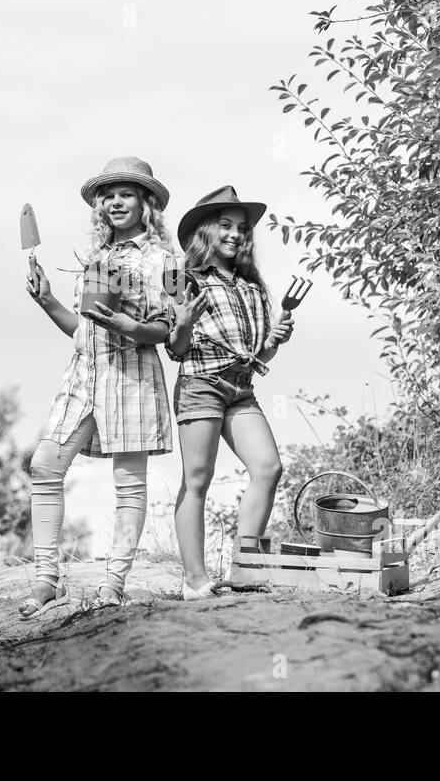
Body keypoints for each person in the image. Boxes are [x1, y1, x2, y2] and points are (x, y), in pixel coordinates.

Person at [19, 157, 177, 619]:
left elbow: (169, 331)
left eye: (125, 193)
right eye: (107, 195)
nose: (114, 201)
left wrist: (131, 324)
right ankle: (48, 579)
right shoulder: (96, 260)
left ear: (147, 203)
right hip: (83, 374)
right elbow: (83, 329)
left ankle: (114, 583)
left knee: (129, 484)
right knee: (45, 464)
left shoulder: (167, 261)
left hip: (131, 375)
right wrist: (47, 300)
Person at [166, 185, 295, 599]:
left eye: (242, 228)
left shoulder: (252, 287)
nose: (235, 234)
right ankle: (195, 580)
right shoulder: (187, 281)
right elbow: (176, 349)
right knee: (198, 478)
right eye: (225, 225)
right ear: (206, 231)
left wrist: (276, 338)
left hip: (240, 389)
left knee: (268, 467)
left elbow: (260, 354)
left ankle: (245, 565)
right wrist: (182, 322)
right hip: (200, 384)